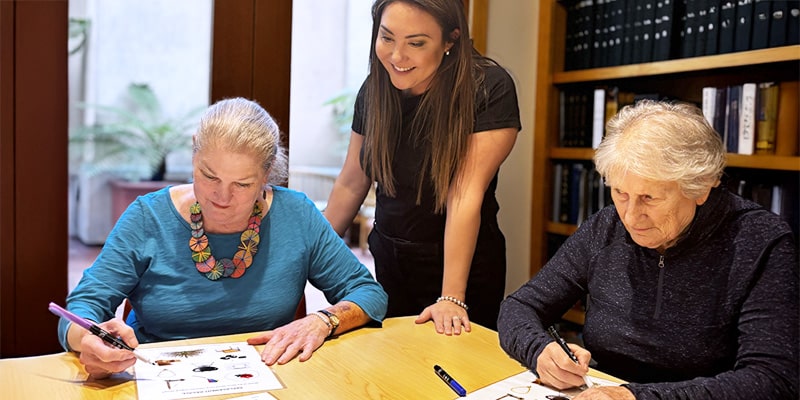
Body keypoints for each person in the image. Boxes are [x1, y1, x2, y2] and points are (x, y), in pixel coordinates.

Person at [58, 97, 388, 377]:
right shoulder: (148, 217)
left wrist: (323, 320)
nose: (221, 197)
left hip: (269, 378)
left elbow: (368, 294)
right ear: (193, 155)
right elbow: (82, 307)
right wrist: (88, 339)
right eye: (208, 175)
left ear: (267, 172)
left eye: (242, 184)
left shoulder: (296, 215)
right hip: (160, 379)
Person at [497, 100, 799, 399]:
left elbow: (772, 380)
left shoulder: (761, 242)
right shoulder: (606, 227)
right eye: (620, 192)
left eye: (650, 198)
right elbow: (520, 307)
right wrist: (540, 350)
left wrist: (635, 397)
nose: (629, 216)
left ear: (701, 187)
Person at [323, 0, 521, 335]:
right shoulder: (375, 89)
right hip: (390, 260)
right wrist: (308, 259)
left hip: (460, 269)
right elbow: (351, 182)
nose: (397, 57)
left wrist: (452, 297)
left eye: (416, 43)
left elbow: (464, 194)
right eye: (387, 38)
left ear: (450, 40)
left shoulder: (488, 88)